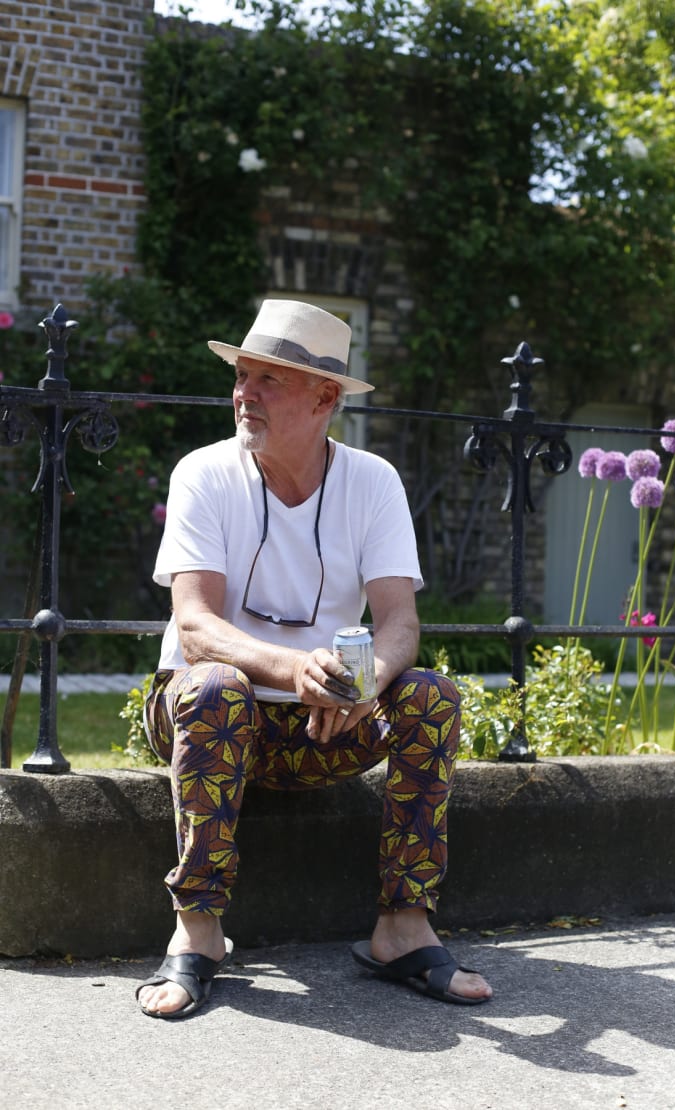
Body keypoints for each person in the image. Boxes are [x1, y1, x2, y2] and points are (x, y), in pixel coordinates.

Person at [135, 299, 493, 1019]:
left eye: (269, 380)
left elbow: (399, 622)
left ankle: (403, 927)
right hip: (206, 721)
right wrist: (295, 671)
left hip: (324, 731)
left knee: (430, 695)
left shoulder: (373, 482)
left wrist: (367, 683)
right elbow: (196, 624)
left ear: (326, 397)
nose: (245, 393)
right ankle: (198, 931)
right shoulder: (203, 473)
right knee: (213, 687)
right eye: (243, 375)